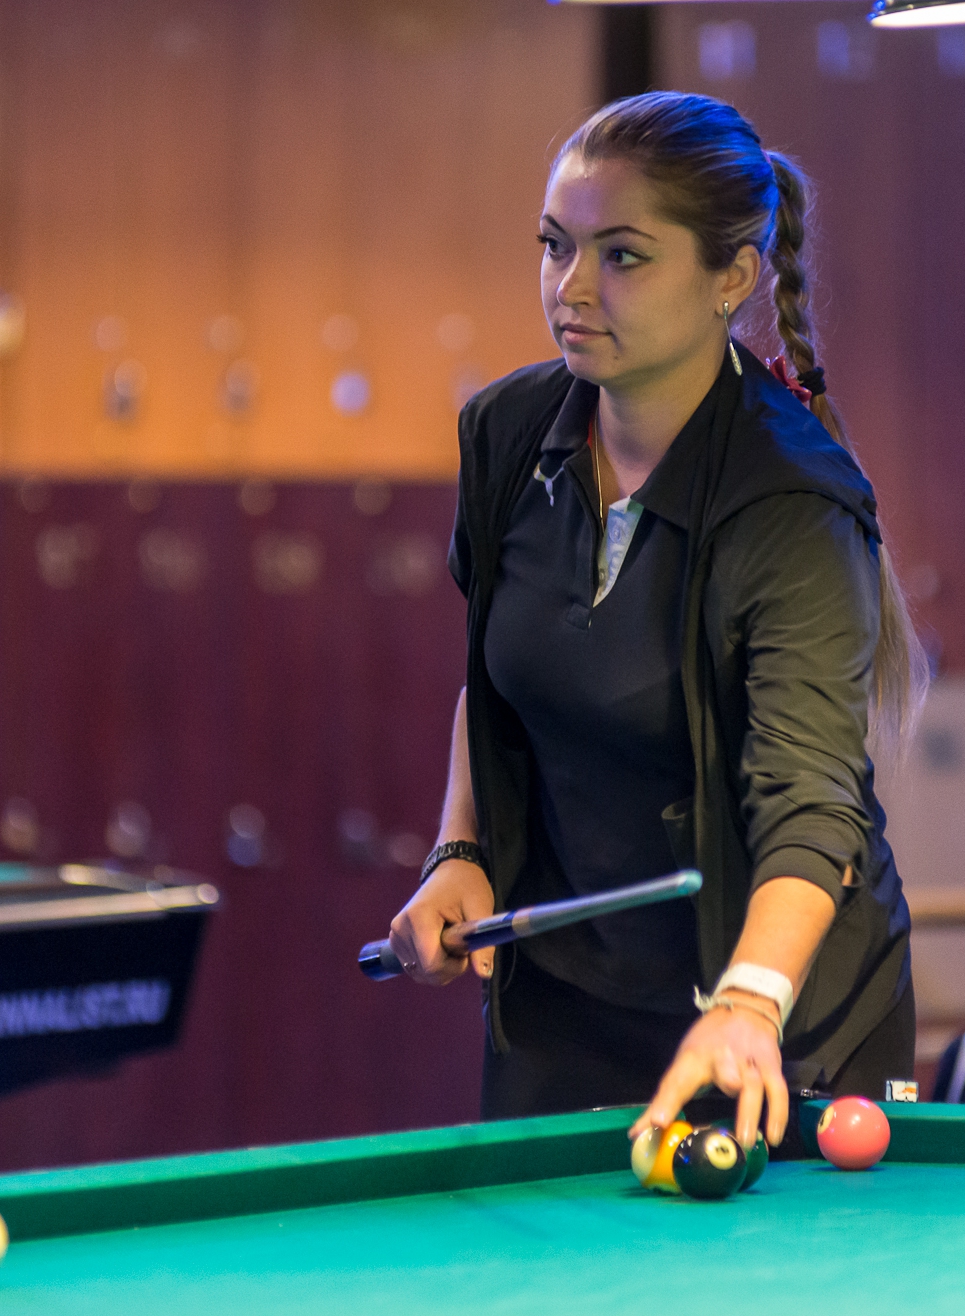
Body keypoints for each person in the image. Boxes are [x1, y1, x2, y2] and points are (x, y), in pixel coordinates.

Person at [385, 91, 923, 1151]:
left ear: (732, 278)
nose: (572, 287)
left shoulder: (793, 501)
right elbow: (495, 687)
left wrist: (750, 1001)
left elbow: (812, 806)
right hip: (566, 1006)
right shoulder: (505, 433)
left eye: (621, 256)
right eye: (555, 246)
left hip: (778, 1015)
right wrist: (459, 848)